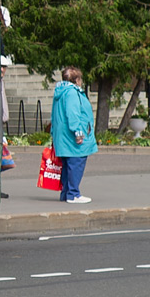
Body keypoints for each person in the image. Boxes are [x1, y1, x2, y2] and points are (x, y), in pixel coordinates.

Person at [51, 65, 98, 204]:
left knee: (67, 166)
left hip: (62, 136)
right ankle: (73, 194)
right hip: (72, 137)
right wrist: (78, 132)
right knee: (76, 164)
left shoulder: (61, 91)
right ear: (77, 79)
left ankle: (66, 193)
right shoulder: (72, 93)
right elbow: (73, 114)